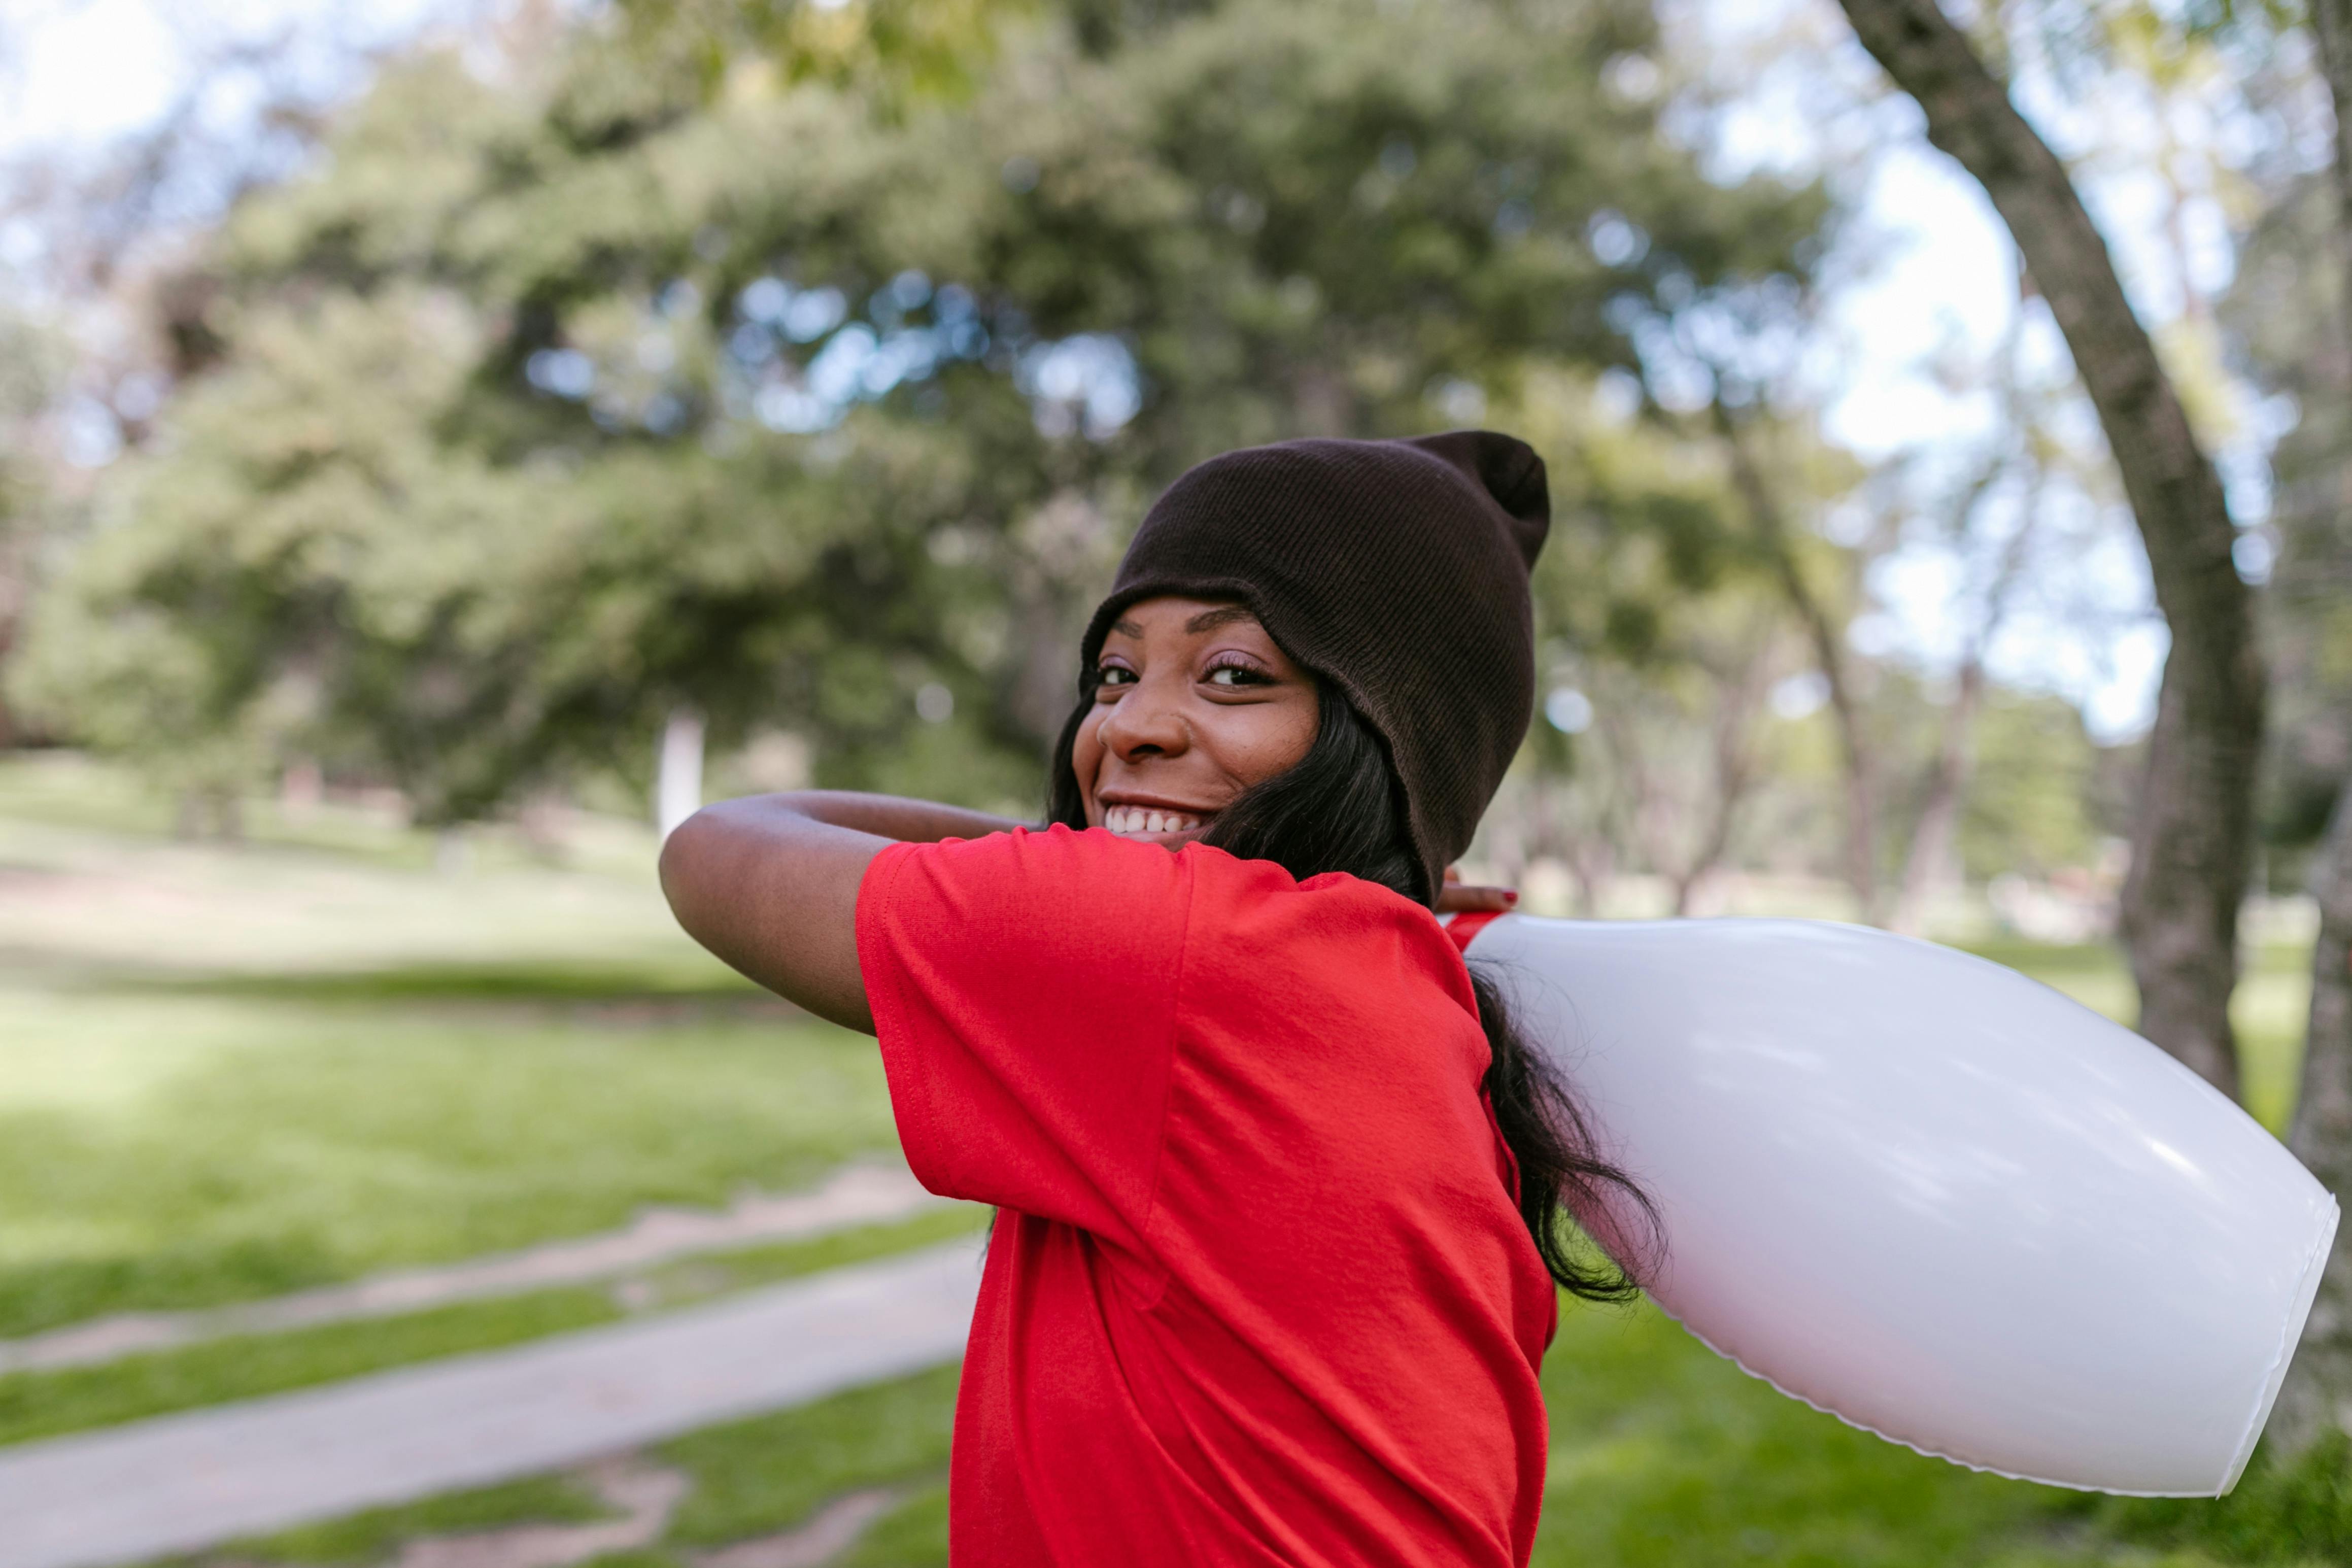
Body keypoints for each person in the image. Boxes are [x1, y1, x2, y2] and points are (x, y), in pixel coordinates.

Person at [661, 430, 1650, 1567]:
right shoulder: (1402, 970)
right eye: (1115, 674)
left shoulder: (1193, 963)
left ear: (1383, 740)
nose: (1128, 726)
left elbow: (717, 849)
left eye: (1232, 675)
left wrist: (1089, 862)